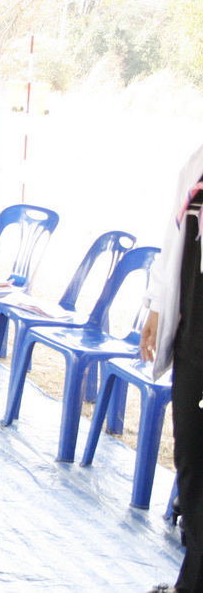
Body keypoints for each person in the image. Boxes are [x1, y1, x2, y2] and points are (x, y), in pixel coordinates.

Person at [141, 141, 203, 593]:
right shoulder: (198, 160)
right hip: (193, 333)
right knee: (192, 459)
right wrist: (158, 304)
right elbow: (175, 234)